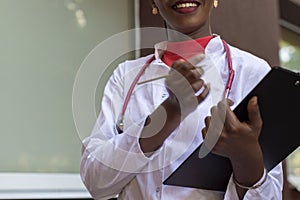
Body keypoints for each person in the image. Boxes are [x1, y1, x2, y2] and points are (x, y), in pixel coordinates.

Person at [80, 0, 283, 199]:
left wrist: (247, 158)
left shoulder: (252, 72)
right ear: (153, 3)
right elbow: (96, 184)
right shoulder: (126, 76)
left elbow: (270, 195)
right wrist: (169, 112)